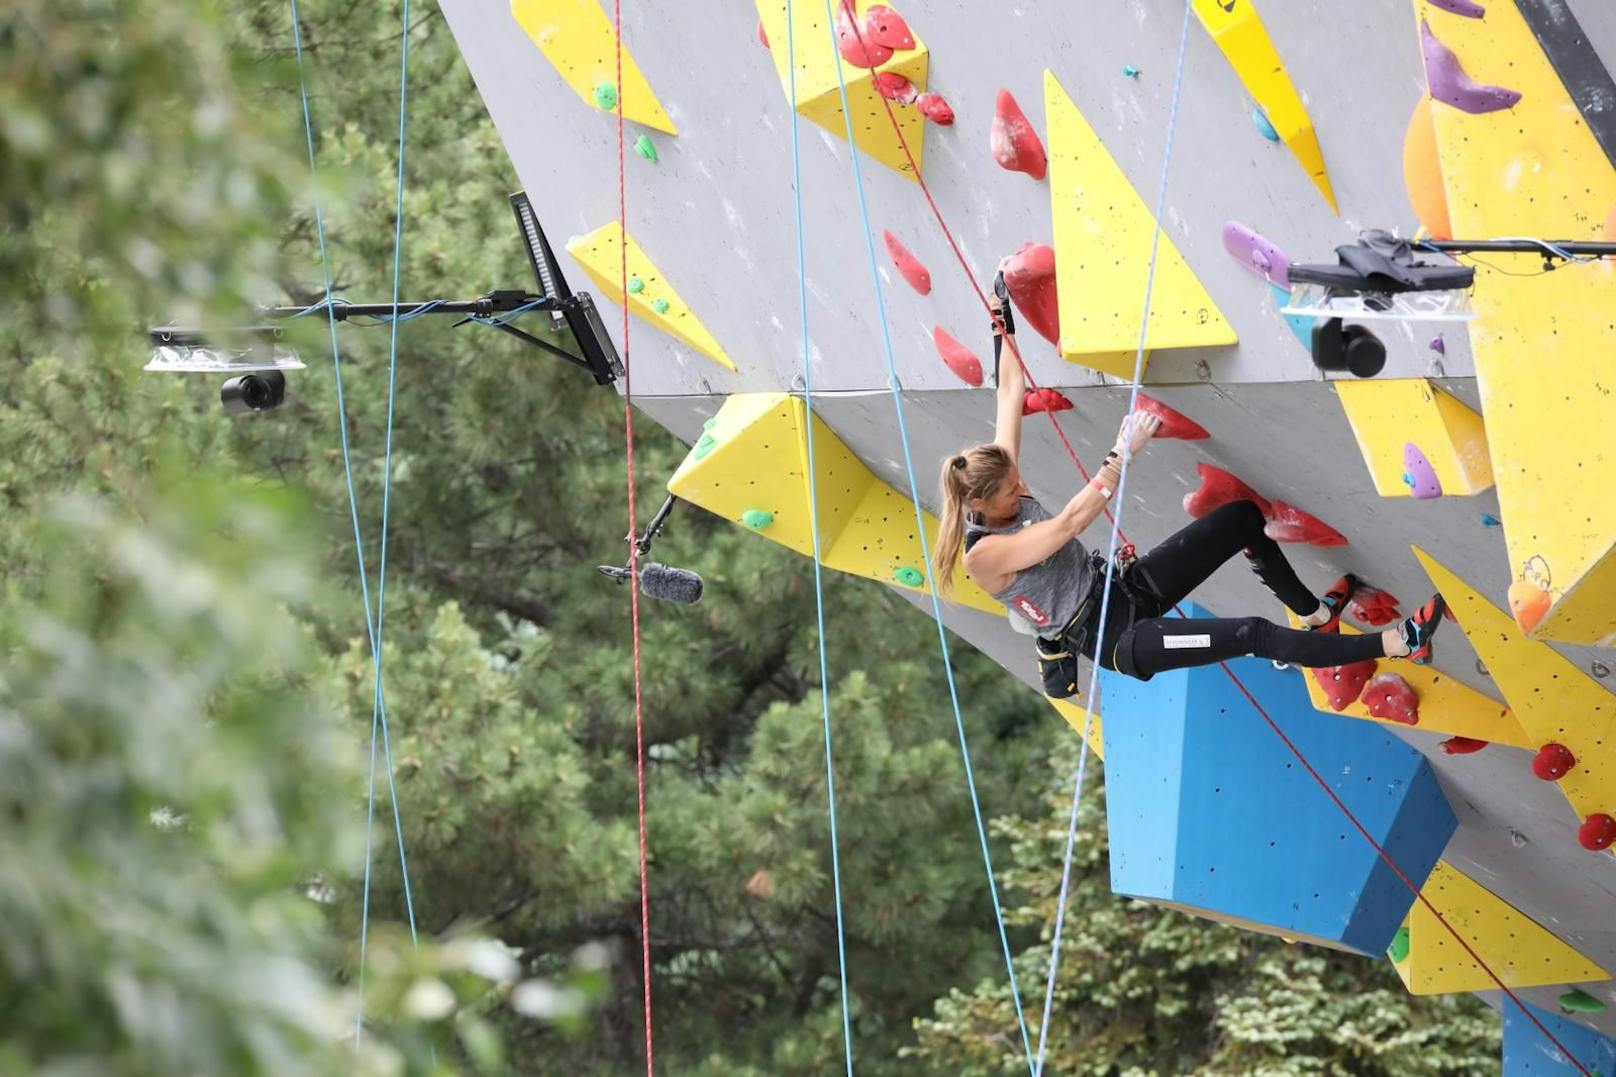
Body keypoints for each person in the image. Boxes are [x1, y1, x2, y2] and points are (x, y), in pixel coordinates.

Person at [930, 285, 1446, 696]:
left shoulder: (996, 478)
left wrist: (1002, 319)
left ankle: (1315, 617)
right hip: (1119, 640)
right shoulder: (986, 557)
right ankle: (1399, 643)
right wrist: (1120, 453)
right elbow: (1067, 524)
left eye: (1015, 478)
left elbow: (1008, 392)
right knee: (1250, 634)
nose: (1020, 487)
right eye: (1008, 491)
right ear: (977, 504)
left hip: (1124, 589)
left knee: (1241, 519)